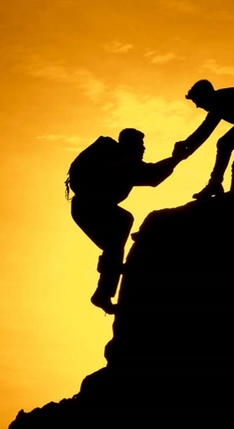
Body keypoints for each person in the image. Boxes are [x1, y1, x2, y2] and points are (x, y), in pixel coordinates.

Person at [68, 128, 185, 314]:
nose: (144, 149)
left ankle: (105, 287)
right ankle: (104, 290)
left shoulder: (117, 160)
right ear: (131, 145)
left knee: (117, 236)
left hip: (84, 208)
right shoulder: (124, 164)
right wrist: (176, 158)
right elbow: (153, 176)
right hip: (90, 208)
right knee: (119, 230)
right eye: (141, 145)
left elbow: (150, 173)